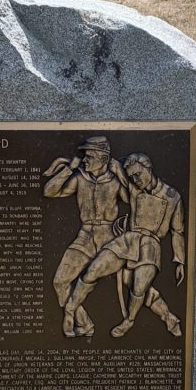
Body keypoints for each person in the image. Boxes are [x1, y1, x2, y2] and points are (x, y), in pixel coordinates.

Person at [63, 152, 185, 339]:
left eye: (138, 174)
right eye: (132, 177)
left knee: (138, 288)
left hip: (150, 245)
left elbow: (177, 231)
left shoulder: (172, 196)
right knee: (93, 269)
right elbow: (111, 163)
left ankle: (130, 320)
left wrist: (180, 261)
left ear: (149, 168)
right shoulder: (133, 189)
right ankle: (70, 309)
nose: (135, 180)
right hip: (127, 240)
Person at [42, 136, 127, 338]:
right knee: (60, 281)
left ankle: (71, 312)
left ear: (103, 158)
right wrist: (68, 169)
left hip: (109, 239)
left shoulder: (115, 181)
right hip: (85, 237)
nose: (85, 160)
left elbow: (135, 200)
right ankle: (85, 323)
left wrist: (121, 173)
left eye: (89, 156)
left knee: (131, 283)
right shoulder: (80, 178)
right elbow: (49, 192)